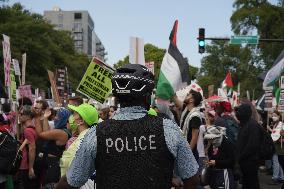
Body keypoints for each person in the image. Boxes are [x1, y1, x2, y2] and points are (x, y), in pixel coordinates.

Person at [55, 64, 199, 189]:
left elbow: (71, 181)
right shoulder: (168, 129)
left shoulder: (96, 134)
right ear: (148, 96)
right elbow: (191, 177)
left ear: (117, 97)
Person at [236, 103, 262, 189]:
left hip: (250, 162)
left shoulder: (252, 125)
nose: (237, 114)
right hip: (245, 162)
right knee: (247, 184)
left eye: (239, 111)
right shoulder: (245, 124)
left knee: (252, 184)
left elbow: (252, 145)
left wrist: (241, 156)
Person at [174, 89, 203, 161]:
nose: (186, 95)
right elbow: (174, 98)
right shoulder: (186, 109)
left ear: (191, 100)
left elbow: (194, 138)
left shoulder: (195, 116)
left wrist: (186, 154)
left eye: (188, 95)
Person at [15, 105, 37, 189]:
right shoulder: (30, 128)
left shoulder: (28, 130)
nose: (19, 116)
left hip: (25, 165)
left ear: (28, 116)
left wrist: (31, 168)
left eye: (21, 114)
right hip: (25, 164)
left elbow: (32, 148)